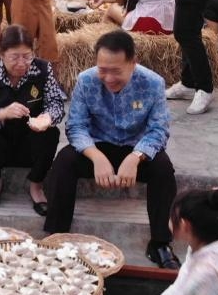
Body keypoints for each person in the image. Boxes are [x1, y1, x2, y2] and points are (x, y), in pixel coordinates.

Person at [44, 30, 179, 269]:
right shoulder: (86, 80)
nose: (108, 78)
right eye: (102, 69)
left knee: (163, 169)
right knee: (64, 162)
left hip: (136, 148)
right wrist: (96, 156)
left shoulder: (153, 83)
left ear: (133, 64)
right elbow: (75, 126)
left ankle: (160, 242)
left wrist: (136, 157)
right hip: (98, 145)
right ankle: (56, 235)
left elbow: (159, 130)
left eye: (116, 71)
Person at [0, 24, 66, 213]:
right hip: (0, 145)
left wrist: (47, 117)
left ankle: (36, 185)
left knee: (51, 133)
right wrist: (2, 114)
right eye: (14, 57)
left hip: (30, 143)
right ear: (1, 54)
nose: (22, 63)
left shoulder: (43, 71)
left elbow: (56, 104)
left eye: (27, 56)